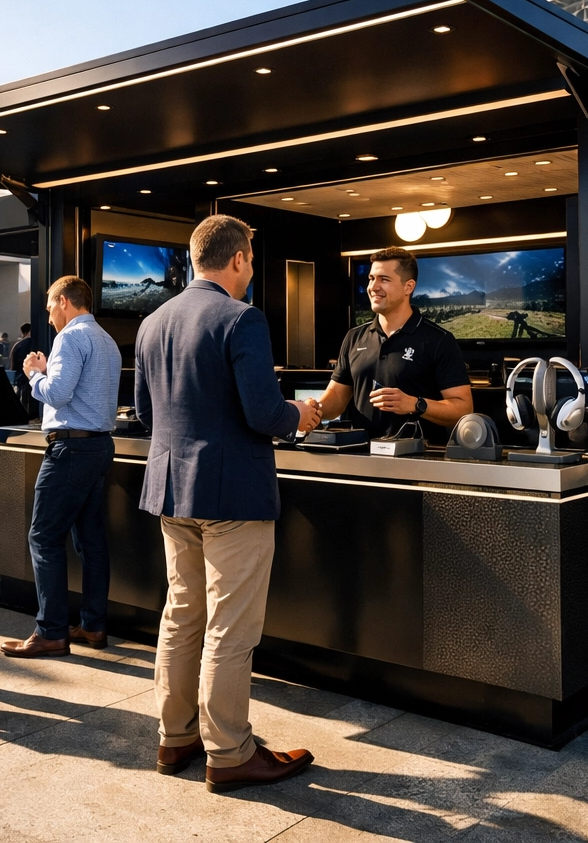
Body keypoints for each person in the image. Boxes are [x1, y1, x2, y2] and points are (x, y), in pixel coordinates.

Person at [134, 214, 320, 793]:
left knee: (182, 617)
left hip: (172, 492)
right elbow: (266, 413)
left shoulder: (153, 321)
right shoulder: (243, 319)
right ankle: (231, 753)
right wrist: (301, 417)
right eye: (251, 260)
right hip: (232, 496)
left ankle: (176, 736)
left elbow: (145, 413)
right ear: (238, 259)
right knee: (230, 630)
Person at [2, 277, 121, 659]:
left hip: (70, 448)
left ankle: (51, 631)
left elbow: (57, 393)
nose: (49, 314)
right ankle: (93, 624)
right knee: (90, 541)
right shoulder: (106, 340)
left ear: (65, 302)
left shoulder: (69, 338)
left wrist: (35, 371)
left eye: (51, 305)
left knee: (43, 537)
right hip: (100, 446)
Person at [314, 246, 473, 440]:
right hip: (360, 456)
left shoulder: (439, 340)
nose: (373, 287)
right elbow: (337, 397)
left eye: (384, 279)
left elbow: (463, 409)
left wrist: (416, 404)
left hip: (418, 461)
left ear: (409, 287)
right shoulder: (354, 337)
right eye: (371, 278)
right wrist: (314, 409)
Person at [9, 322, 36, 418]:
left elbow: (13, 365)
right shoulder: (35, 343)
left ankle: (21, 416)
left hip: (21, 375)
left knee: (22, 397)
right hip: (33, 375)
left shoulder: (18, 345)